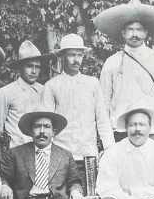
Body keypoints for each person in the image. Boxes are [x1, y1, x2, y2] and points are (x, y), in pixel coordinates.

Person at [95, 0, 154, 145]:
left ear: (146, 32)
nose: (135, 34)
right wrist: (108, 139)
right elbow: (103, 104)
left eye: (139, 30)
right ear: (123, 32)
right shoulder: (112, 62)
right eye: (130, 30)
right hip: (121, 132)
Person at [41, 33, 115, 164]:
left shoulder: (92, 83)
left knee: (89, 185)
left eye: (80, 55)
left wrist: (109, 149)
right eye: (72, 55)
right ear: (62, 57)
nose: (76, 60)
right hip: (61, 155)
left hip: (88, 155)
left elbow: (102, 119)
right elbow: (46, 123)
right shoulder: (51, 85)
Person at [0, 40, 53, 151]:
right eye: (29, 66)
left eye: (37, 67)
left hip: (41, 152)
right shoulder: (6, 92)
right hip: (16, 152)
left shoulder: (45, 91)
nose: (33, 71)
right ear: (20, 67)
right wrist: (4, 154)